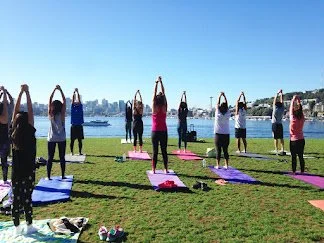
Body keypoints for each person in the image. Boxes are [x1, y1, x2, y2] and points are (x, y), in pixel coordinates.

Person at [11, 84, 38, 235]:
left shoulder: (13, 133)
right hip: (28, 173)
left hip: (16, 173)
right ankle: (29, 225)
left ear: (15, 122)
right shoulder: (29, 132)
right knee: (27, 198)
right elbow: (31, 111)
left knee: (16, 199)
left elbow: (15, 112)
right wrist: (27, 93)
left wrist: (20, 93)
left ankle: (17, 228)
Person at [47, 85, 66, 180]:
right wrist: (60, 90)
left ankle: (48, 176)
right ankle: (63, 176)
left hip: (51, 138)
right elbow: (65, 101)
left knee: (50, 157)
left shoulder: (50, 114)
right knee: (62, 157)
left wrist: (54, 90)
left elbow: (50, 99)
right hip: (62, 138)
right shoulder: (62, 114)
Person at [151, 76, 168, 174]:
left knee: (155, 151)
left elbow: (154, 94)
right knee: (164, 151)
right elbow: (164, 93)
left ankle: (153, 170)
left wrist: (156, 83)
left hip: (155, 131)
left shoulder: (154, 107)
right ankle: (165, 169)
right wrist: (161, 82)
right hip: (163, 131)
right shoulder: (164, 107)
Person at [214, 92, 231, 169]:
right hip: (226, 134)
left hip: (218, 134)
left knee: (218, 150)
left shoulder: (218, 112)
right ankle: (226, 165)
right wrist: (224, 96)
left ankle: (218, 165)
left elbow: (217, 104)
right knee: (225, 150)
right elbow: (226, 105)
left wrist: (220, 96)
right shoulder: (228, 113)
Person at [289, 95, 305, 174]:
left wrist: (293, 99)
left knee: (294, 157)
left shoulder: (292, 118)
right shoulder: (302, 118)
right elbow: (301, 110)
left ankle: (294, 171)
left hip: (294, 140)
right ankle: (302, 171)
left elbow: (291, 109)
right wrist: (298, 100)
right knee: (301, 156)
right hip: (301, 139)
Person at [70, 88, 84, 155]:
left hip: (79, 126)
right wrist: (73, 93)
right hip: (73, 126)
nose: (76, 102)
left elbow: (79, 100)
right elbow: (72, 100)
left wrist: (77, 92)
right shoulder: (73, 107)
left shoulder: (80, 107)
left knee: (80, 140)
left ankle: (80, 152)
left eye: (77, 101)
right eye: (75, 102)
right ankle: (72, 152)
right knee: (72, 140)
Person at [0, 86, 9, 183]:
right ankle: (5, 180)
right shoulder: (3, 118)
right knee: (4, 162)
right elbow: (5, 107)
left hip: (3, 142)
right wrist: (4, 93)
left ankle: (5, 179)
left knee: (4, 162)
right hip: (3, 142)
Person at [271, 89, 285, 154]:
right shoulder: (282, 109)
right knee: (281, 137)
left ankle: (276, 149)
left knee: (275, 138)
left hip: (274, 124)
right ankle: (282, 149)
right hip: (280, 124)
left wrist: (277, 93)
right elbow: (282, 101)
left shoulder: (275, 108)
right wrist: (281, 94)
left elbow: (274, 100)